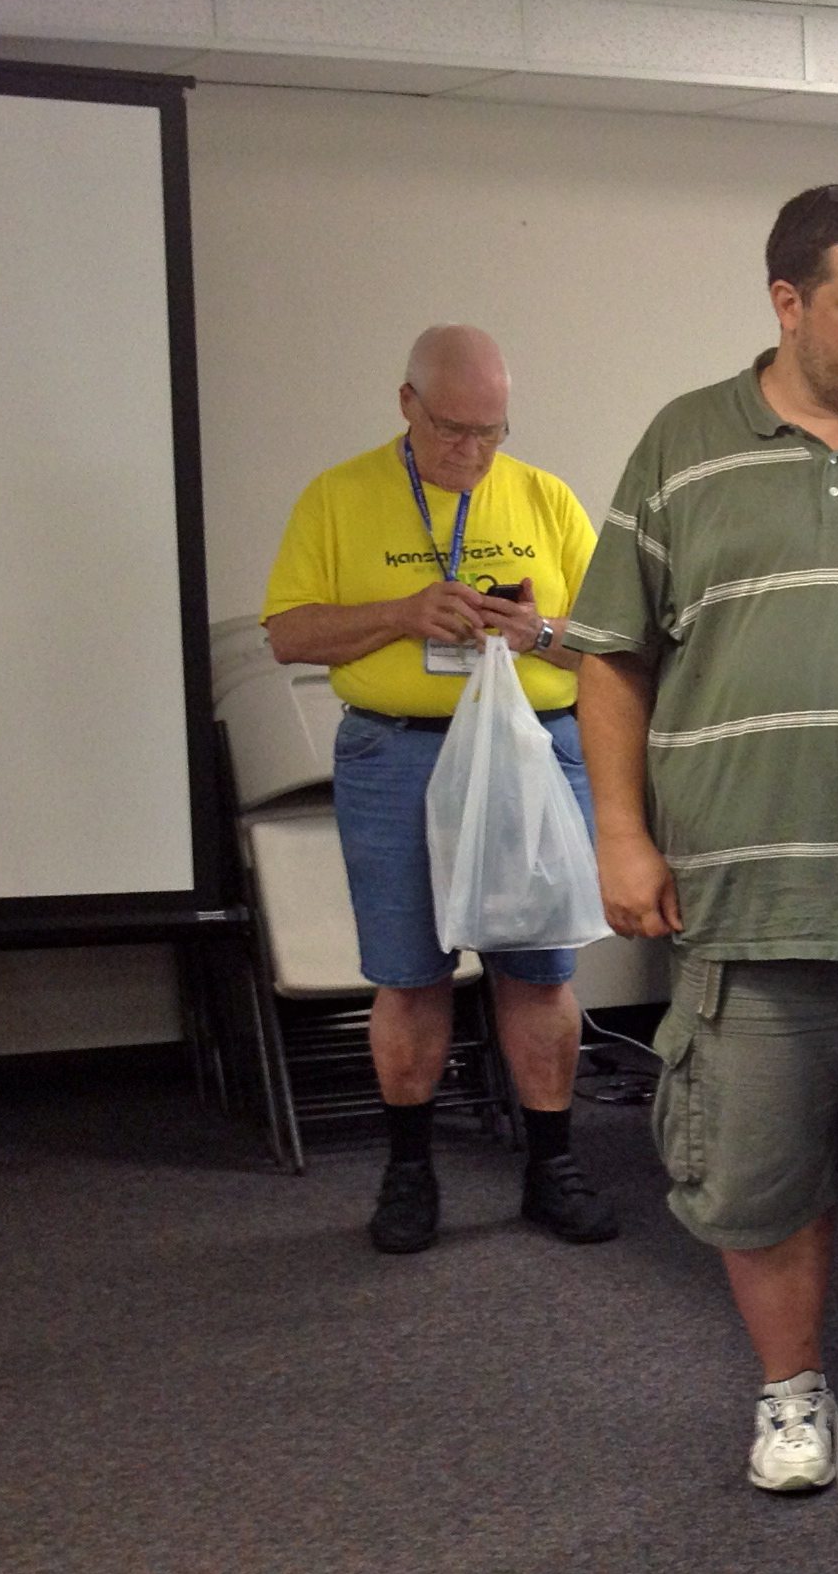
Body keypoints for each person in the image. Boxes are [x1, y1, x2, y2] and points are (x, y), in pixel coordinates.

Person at [565, 186, 838, 1508]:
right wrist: (621, 833)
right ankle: (792, 1392)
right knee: (760, 1178)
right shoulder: (683, 446)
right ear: (786, 302)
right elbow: (611, 659)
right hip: (747, 897)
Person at [263, 325, 618, 1255]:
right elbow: (289, 636)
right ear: (407, 405)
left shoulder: (545, 497)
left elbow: (617, 648)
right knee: (410, 976)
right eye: (453, 429)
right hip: (398, 754)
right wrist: (401, 613)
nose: (473, 451)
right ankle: (410, 1172)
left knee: (539, 971)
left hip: (531, 752)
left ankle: (552, 1167)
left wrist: (539, 633)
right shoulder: (338, 497)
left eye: (491, 431)